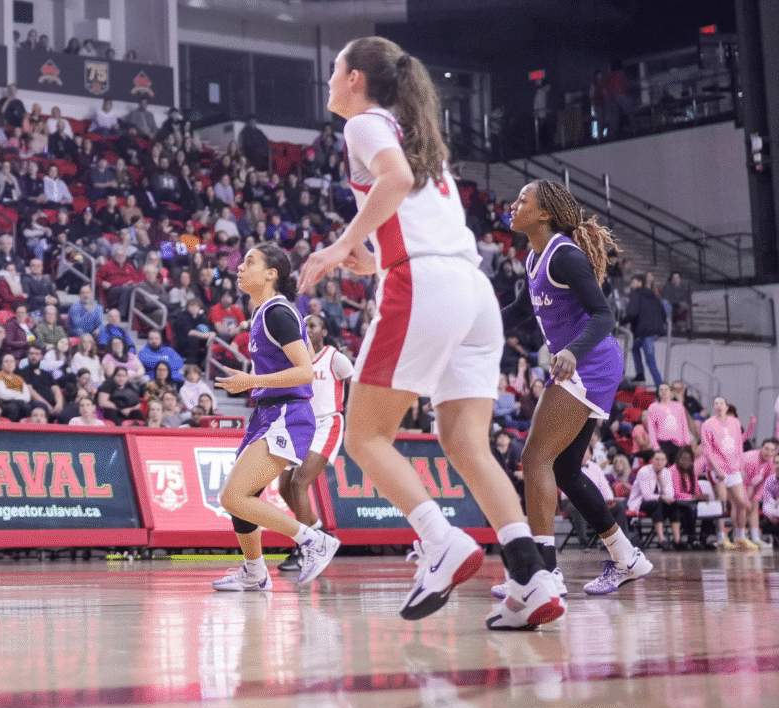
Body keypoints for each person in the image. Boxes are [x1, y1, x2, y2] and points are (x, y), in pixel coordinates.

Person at [296, 37, 560, 628]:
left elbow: (390, 182)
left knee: (364, 435)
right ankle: (532, 577)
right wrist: (371, 255)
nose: (331, 82)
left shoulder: (364, 124)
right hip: (472, 290)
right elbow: (411, 212)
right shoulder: (417, 134)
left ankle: (439, 540)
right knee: (466, 442)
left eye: (335, 70)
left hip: (426, 285)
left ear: (357, 77)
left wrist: (342, 244)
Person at [496, 179, 652, 599]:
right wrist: (477, 331)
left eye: (522, 200)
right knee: (563, 469)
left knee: (534, 458)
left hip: (591, 361)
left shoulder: (565, 255)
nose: (514, 205)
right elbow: (521, 312)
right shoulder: (534, 259)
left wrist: (572, 352)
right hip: (580, 363)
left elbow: (603, 315)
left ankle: (543, 573)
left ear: (544, 212)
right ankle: (627, 557)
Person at [211, 243, 339, 591]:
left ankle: (314, 540)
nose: (240, 267)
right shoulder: (267, 312)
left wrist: (252, 381)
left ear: (271, 274)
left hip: (287, 412)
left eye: (249, 262)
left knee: (232, 496)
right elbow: (308, 351)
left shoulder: (276, 313)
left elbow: (305, 371)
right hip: (269, 412)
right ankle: (254, 571)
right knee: (242, 496)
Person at [277, 314, 354, 573]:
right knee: (284, 487)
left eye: (313, 326)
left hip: (327, 424)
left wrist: (355, 416)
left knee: (299, 483)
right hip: (300, 426)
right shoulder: (298, 358)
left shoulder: (335, 358)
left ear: (323, 331)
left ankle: (305, 547)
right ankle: (321, 535)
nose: (307, 330)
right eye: (304, 326)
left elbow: (355, 382)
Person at [701, 395, 753, 549]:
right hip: (718, 469)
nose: (718, 406)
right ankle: (721, 537)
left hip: (734, 468)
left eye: (721, 403)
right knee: (721, 502)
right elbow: (707, 451)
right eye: (715, 403)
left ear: (726, 407)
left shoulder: (735, 422)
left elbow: (739, 447)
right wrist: (717, 470)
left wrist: (741, 468)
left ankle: (740, 536)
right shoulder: (708, 425)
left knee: (742, 503)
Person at [624, 276, 667, 387]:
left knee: (650, 360)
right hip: (654, 330)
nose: (631, 284)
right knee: (635, 347)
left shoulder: (636, 294)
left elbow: (632, 313)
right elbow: (663, 312)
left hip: (646, 331)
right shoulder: (653, 295)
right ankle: (640, 374)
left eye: (633, 282)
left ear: (639, 282)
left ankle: (660, 386)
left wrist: (621, 322)